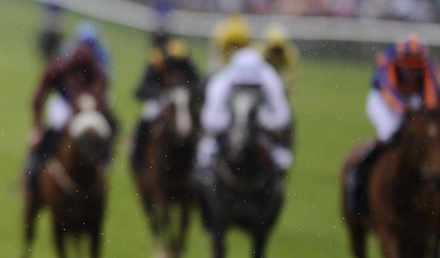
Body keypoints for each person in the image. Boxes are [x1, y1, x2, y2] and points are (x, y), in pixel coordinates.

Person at [348, 33, 440, 216]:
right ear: (400, 61)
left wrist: (426, 115)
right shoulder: (387, 63)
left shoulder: (432, 67)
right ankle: (359, 174)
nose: (412, 73)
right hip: (384, 100)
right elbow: (391, 96)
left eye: (417, 69)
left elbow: (431, 98)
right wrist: (408, 113)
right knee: (390, 132)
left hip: (415, 99)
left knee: (439, 135)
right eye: (408, 68)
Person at [194, 34, 293, 184]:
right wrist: (235, 121)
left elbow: (283, 116)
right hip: (228, 124)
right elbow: (210, 120)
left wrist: (259, 120)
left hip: (260, 126)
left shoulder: (270, 79)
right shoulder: (221, 82)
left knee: (283, 158)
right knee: (205, 153)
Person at [26, 41, 114, 190]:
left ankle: (103, 165)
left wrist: (92, 104)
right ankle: (33, 174)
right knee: (54, 130)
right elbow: (38, 97)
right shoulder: (58, 68)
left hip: (86, 104)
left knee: (102, 132)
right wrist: (38, 128)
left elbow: (102, 94)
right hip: (63, 103)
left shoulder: (96, 70)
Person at [130, 35, 205, 171]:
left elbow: (199, 86)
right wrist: (160, 94)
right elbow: (142, 89)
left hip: (184, 100)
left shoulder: (182, 59)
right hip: (161, 101)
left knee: (202, 125)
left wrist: (187, 93)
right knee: (146, 120)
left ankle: (202, 164)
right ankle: (139, 159)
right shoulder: (158, 60)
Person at [260, 23, 300, 98]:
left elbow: (290, 72)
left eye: (278, 51)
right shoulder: (262, 54)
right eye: (274, 51)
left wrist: (286, 86)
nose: (276, 55)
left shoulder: (290, 54)